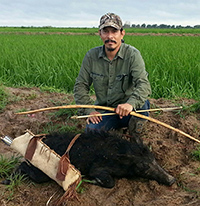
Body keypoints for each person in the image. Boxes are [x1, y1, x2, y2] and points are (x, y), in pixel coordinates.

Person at [74, 12, 151, 135]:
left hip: (130, 111)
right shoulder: (91, 56)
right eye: (106, 31)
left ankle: (135, 133)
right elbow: (80, 86)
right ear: (100, 34)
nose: (110, 37)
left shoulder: (132, 54)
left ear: (122, 33)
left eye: (114, 31)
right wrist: (89, 110)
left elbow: (143, 84)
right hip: (107, 111)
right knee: (92, 131)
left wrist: (129, 104)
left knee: (142, 106)